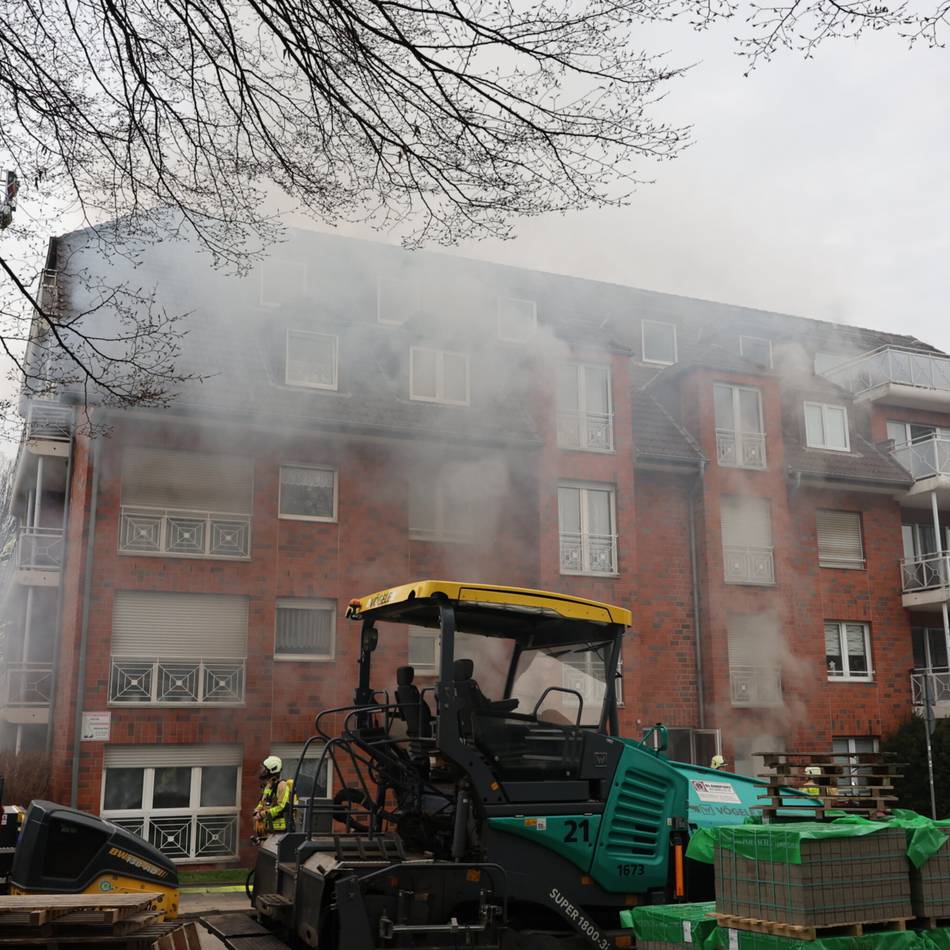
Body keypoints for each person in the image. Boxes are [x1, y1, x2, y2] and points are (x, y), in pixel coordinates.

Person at [253, 756, 294, 838]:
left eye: (265, 770)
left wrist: (263, 814)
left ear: (273, 770)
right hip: (270, 829)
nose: (262, 772)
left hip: (281, 830)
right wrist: (256, 811)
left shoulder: (282, 785)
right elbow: (263, 802)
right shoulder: (268, 786)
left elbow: (281, 807)